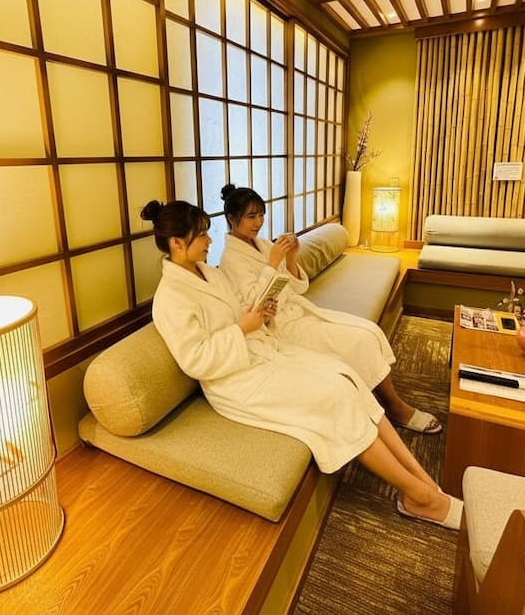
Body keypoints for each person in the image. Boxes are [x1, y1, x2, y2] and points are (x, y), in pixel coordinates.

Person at [141, 199, 461, 529]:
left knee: (347, 377)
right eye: (202, 235)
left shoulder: (208, 273)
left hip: (262, 350)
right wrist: (243, 328)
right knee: (336, 395)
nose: (210, 240)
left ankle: (424, 484)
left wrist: (257, 316)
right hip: (234, 381)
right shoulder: (171, 298)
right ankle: (420, 498)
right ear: (177, 242)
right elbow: (196, 360)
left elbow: (238, 309)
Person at [218, 183, 442, 434]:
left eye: (261, 215)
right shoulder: (230, 258)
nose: (258, 222)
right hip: (280, 327)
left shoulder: (262, 244)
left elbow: (298, 287)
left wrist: (290, 257)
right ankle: (395, 407)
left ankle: (382, 401)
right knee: (358, 342)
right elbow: (254, 305)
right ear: (232, 219)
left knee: (368, 331)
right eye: (251, 216)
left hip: (299, 311)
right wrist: (272, 263)